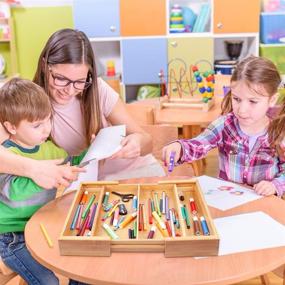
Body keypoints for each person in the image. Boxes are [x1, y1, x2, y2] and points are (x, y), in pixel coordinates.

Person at [32, 28, 164, 181]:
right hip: (93, 184)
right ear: (44, 66)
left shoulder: (97, 89)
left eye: (80, 82)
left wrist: (138, 143)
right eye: (61, 78)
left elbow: (147, 142)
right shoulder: (31, 103)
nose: (69, 90)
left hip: (139, 171)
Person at [0, 78, 86, 285]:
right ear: (11, 126)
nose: (46, 129)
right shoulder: (6, 154)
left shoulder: (50, 149)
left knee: (81, 266)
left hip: (41, 227)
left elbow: (72, 162)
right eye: (37, 125)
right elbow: (12, 191)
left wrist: (97, 150)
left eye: (48, 120)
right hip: (12, 236)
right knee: (48, 282)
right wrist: (45, 177)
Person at [163, 55, 285, 197]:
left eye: (252, 101)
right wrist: (180, 148)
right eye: (237, 99)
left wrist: (275, 185)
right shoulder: (224, 125)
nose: (242, 109)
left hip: (265, 204)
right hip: (229, 200)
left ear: (272, 100)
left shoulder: (280, 131)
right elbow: (200, 143)